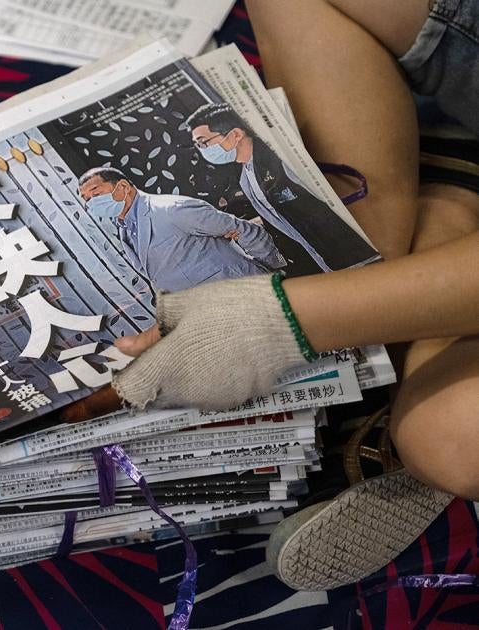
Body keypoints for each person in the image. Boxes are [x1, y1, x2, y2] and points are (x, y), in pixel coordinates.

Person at [62, 0, 479, 592]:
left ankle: (436, 234)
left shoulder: (175, 210)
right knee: (373, 235)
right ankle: (440, 215)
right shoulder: (135, 224)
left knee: (450, 443)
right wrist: (364, 239)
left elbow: (242, 237)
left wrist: (277, 316)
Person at [186, 102, 380, 272]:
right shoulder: (246, 177)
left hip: (356, 247)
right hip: (325, 255)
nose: (204, 151)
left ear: (235, 134)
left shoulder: (279, 156)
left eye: (204, 143)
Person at [78, 166, 285, 292]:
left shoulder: (170, 210)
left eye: (95, 193)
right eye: (86, 200)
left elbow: (242, 229)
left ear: (123, 186)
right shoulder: (124, 229)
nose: (92, 202)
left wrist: (274, 272)